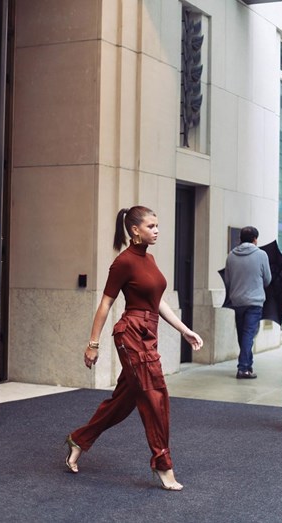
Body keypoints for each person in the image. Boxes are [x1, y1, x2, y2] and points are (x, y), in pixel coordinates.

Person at [64, 206, 203, 491]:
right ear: (134, 230)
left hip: (148, 333)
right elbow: (105, 303)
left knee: (123, 401)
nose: (157, 230)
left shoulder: (149, 260)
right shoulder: (124, 262)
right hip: (131, 335)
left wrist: (184, 330)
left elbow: (158, 301)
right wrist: (93, 344)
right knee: (155, 396)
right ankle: (163, 464)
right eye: (151, 226)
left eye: (157, 225)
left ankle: (79, 439)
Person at [224, 226, 271, 379]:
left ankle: (247, 364)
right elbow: (267, 279)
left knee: (242, 334)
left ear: (240, 239)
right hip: (254, 301)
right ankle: (243, 368)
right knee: (248, 334)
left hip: (237, 301)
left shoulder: (231, 256)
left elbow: (227, 280)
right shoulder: (261, 254)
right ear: (255, 239)